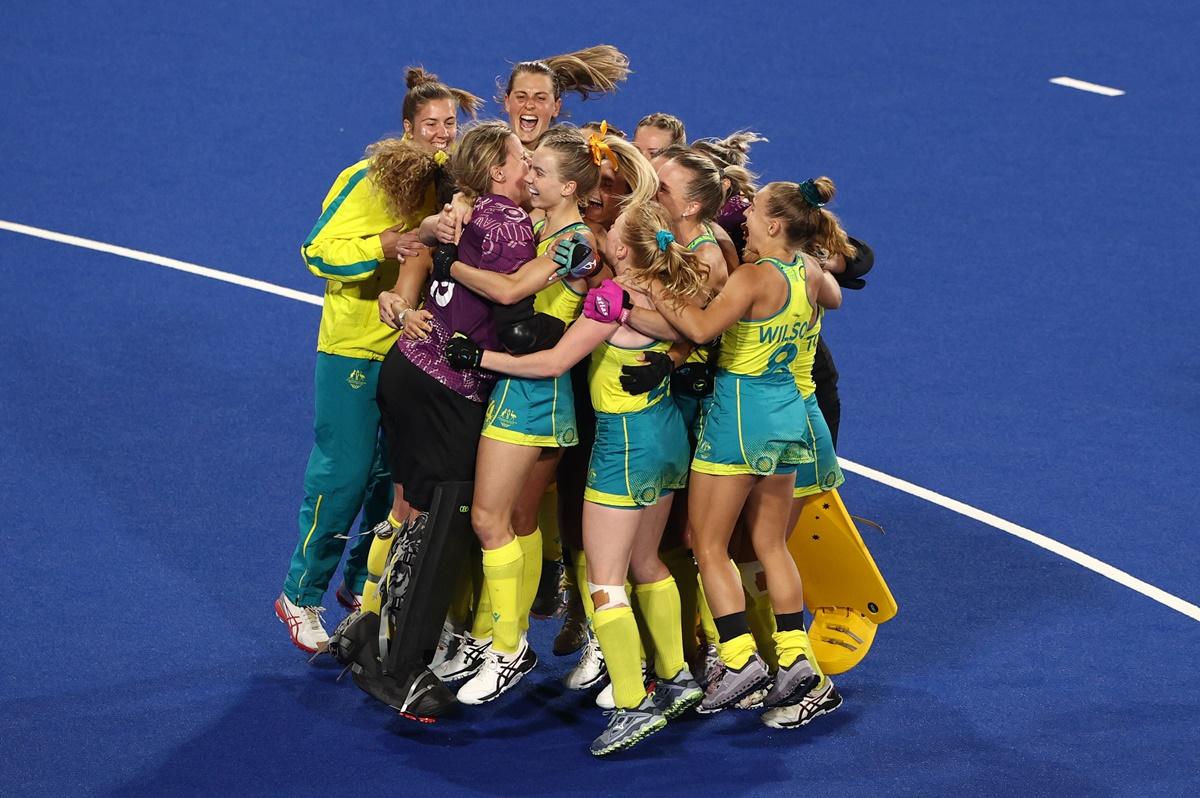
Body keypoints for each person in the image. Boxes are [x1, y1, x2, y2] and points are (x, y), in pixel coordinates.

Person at [444, 199, 707, 755]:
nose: (603, 232)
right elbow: (691, 333)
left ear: (622, 247)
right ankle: (678, 675)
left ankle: (633, 704)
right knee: (648, 561)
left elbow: (552, 363)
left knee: (606, 580)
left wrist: (479, 358)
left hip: (624, 446)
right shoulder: (668, 292)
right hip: (666, 439)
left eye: (611, 230)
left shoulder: (614, 300)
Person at [584, 179, 843, 715]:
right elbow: (835, 297)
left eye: (753, 212)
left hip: (739, 420)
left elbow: (701, 328)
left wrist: (642, 302)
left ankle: (740, 657)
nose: (743, 217)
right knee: (771, 544)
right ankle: (794, 655)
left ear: (775, 224)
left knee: (708, 544)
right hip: (789, 417)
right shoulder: (808, 271)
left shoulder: (752, 276)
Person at [429, 126, 651, 704]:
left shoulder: (573, 242)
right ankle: (496, 636)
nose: (528, 177)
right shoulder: (537, 225)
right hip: (514, 384)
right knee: (514, 522)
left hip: (537, 396)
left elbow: (509, 292)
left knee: (489, 519)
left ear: (569, 186)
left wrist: (449, 264)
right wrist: (456, 207)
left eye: (540, 173)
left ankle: (508, 647)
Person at [275, 67, 480, 654]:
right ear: (407, 128)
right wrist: (388, 244)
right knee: (344, 471)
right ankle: (300, 594)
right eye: (431, 124)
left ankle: (365, 587)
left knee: (394, 479)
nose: (442, 134)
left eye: (450, 124)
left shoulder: (452, 185)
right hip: (355, 349)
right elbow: (317, 251)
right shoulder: (365, 178)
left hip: (415, 356)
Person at [341, 121, 537, 720]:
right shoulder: (508, 225)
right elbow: (512, 294)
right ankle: (399, 669)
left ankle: (366, 624)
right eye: (521, 159)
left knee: (409, 512)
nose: (529, 167)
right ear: (497, 173)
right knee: (439, 525)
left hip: (405, 368)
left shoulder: (465, 210)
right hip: (445, 388)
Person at [502, 46, 631, 150]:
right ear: (507, 102)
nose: (529, 105)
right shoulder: (485, 157)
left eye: (540, 98)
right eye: (521, 97)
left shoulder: (573, 163)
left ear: (556, 107)